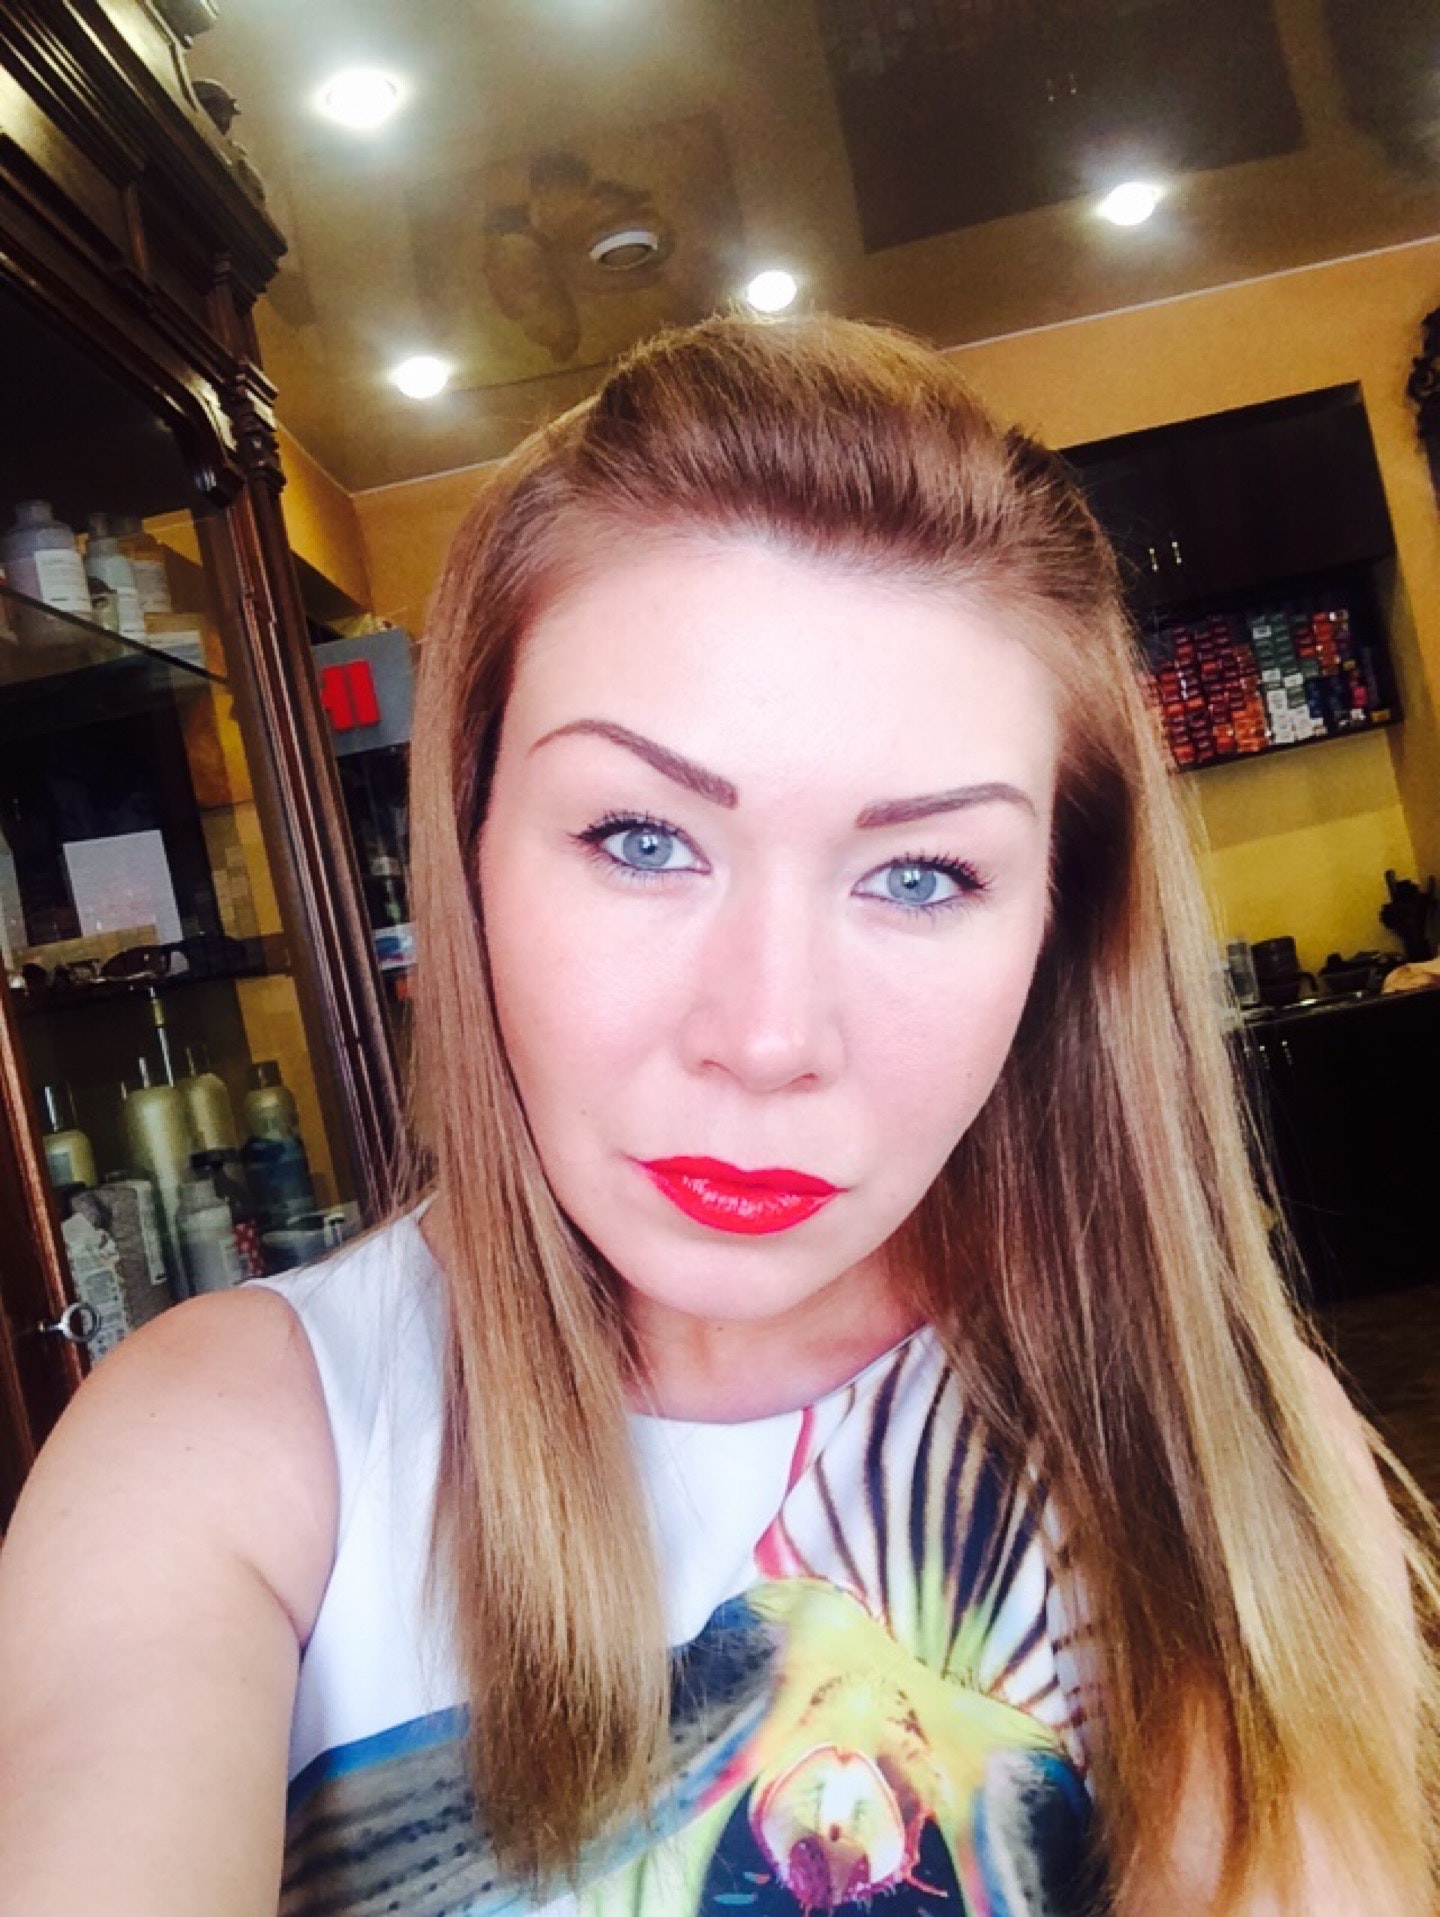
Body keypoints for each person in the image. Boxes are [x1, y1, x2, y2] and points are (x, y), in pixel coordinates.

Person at [0, 316, 1434, 1916]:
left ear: (1059, 925)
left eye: (920, 874)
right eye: (641, 838)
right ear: (467, 847)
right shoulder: (221, 1449)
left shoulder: (1206, 1433)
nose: (764, 1038)